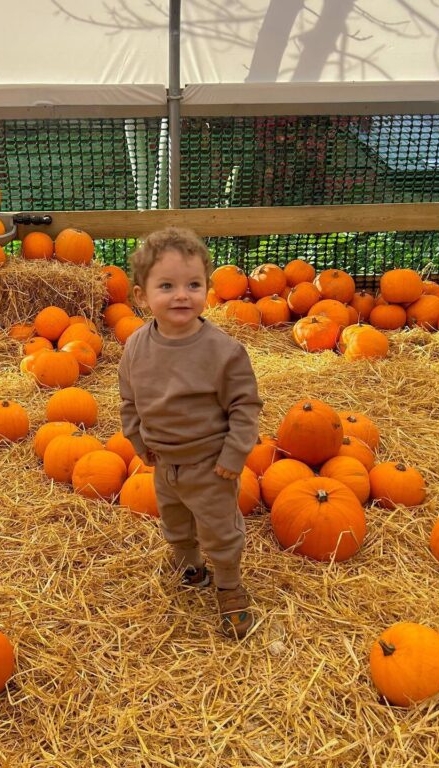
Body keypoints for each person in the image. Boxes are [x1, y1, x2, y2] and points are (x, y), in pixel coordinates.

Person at [118, 227, 263, 639]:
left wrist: (234, 456)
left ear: (207, 290)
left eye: (193, 285)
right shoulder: (135, 347)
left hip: (210, 465)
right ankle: (189, 564)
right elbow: (129, 399)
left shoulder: (223, 351)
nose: (182, 295)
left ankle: (230, 586)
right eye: (167, 286)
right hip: (164, 463)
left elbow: (245, 405)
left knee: (220, 530)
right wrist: (137, 440)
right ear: (142, 296)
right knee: (176, 522)